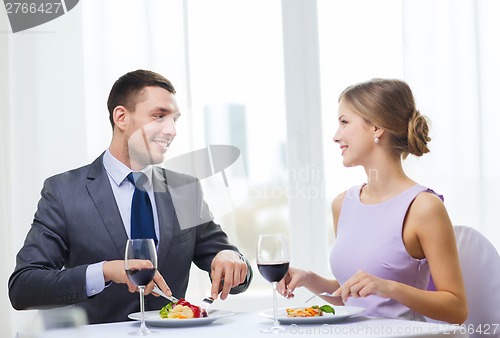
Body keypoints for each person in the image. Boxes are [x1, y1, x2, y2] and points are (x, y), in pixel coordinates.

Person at [8, 69, 253, 324]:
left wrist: (231, 259)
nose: (171, 131)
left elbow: (230, 270)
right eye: (159, 117)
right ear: (121, 117)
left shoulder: (185, 189)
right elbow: (23, 288)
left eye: (174, 120)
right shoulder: (64, 192)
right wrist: (106, 271)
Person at [279, 78, 467, 324]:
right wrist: (310, 279)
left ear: (377, 128)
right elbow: (354, 296)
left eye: (344, 122)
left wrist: (390, 288)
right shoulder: (342, 204)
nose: (336, 136)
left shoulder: (423, 207)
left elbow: (457, 309)